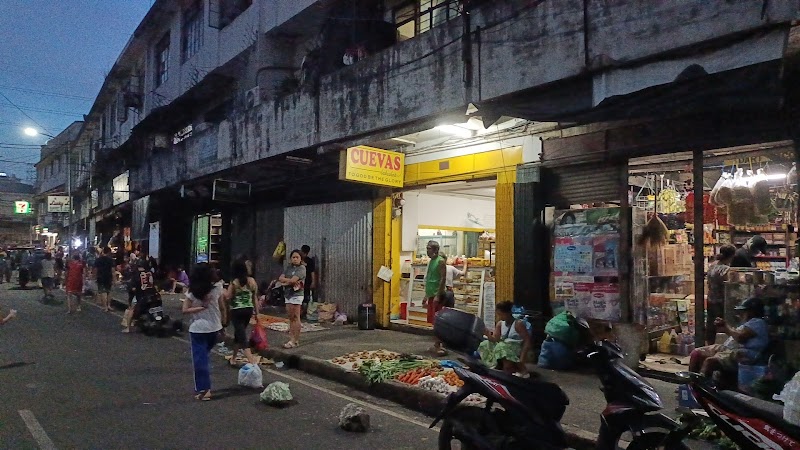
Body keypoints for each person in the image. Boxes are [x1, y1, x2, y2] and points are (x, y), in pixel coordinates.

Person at [688, 297, 769, 377]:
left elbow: (740, 338)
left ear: (752, 312)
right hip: (729, 349)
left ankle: (700, 385)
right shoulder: (748, 323)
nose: (741, 314)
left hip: (745, 353)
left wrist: (726, 327)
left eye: (744, 311)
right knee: (697, 353)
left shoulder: (758, 322)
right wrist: (724, 327)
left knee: (710, 362)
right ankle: (690, 383)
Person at [182, 263, 225, 401]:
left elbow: (185, 310)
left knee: (200, 361)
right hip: (214, 328)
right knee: (204, 358)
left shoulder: (191, 292)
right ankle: (205, 388)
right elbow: (223, 307)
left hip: (198, 329)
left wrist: (201, 308)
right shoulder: (217, 289)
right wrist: (223, 324)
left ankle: (204, 390)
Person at [478, 301, 532, 375]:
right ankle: (494, 365)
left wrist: (522, 358)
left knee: (501, 346)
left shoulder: (518, 324)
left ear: (508, 313)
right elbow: (495, 339)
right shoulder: (500, 324)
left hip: (515, 348)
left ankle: (518, 368)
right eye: (498, 314)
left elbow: (527, 341)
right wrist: (488, 335)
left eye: (501, 314)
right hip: (503, 347)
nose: (499, 317)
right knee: (484, 344)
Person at [225, 260, 259, 367]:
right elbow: (255, 298)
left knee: (242, 337)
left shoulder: (234, 282)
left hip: (237, 311)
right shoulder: (252, 281)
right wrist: (257, 313)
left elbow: (228, 297)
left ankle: (252, 362)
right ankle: (234, 358)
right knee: (239, 334)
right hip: (248, 310)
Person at [706, 245, 736, 344]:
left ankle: (709, 344)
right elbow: (730, 286)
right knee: (722, 324)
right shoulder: (726, 269)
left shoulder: (712, 265)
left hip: (711, 298)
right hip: (721, 301)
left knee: (711, 325)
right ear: (731, 256)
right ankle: (722, 345)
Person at [422, 241, 447, 355]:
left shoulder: (440, 261)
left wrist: (438, 295)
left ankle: (439, 345)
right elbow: (429, 279)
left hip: (437, 295)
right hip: (431, 294)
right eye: (427, 248)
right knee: (433, 321)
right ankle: (436, 344)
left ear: (435, 250)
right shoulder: (431, 261)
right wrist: (426, 295)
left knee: (438, 322)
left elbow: (442, 279)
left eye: (429, 249)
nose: (427, 251)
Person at [278, 250, 306, 349]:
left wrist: (287, 282)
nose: (295, 259)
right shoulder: (289, 268)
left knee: (296, 316)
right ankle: (291, 338)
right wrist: (288, 282)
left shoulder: (302, 268)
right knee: (290, 317)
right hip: (288, 294)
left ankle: (295, 340)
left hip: (297, 294)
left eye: (297, 257)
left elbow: (293, 280)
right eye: (293, 257)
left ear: (301, 258)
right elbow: (280, 278)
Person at [122, 260, 158, 333]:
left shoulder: (136, 274)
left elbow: (133, 288)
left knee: (131, 309)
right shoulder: (150, 273)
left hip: (140, 295)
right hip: (152, 295)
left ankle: (128, 328)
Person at [95, 247, 115, 312]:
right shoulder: (111, 260)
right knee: (109, 291)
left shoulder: (98, 259)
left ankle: (105, 307)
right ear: (109, 252)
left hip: (100, 277)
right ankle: (109, 305)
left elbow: (95, 269)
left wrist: (94, 276)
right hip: (109, 277)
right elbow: (113, 270)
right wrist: (115, 279)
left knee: (103, 292)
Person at [300, 245, 317, 317]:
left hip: (307, 281)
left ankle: (304, 312)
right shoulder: (298, 260)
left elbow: (312, 272)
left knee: (306, 297)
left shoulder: (310, 261)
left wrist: (313, 282)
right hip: (298, 282)